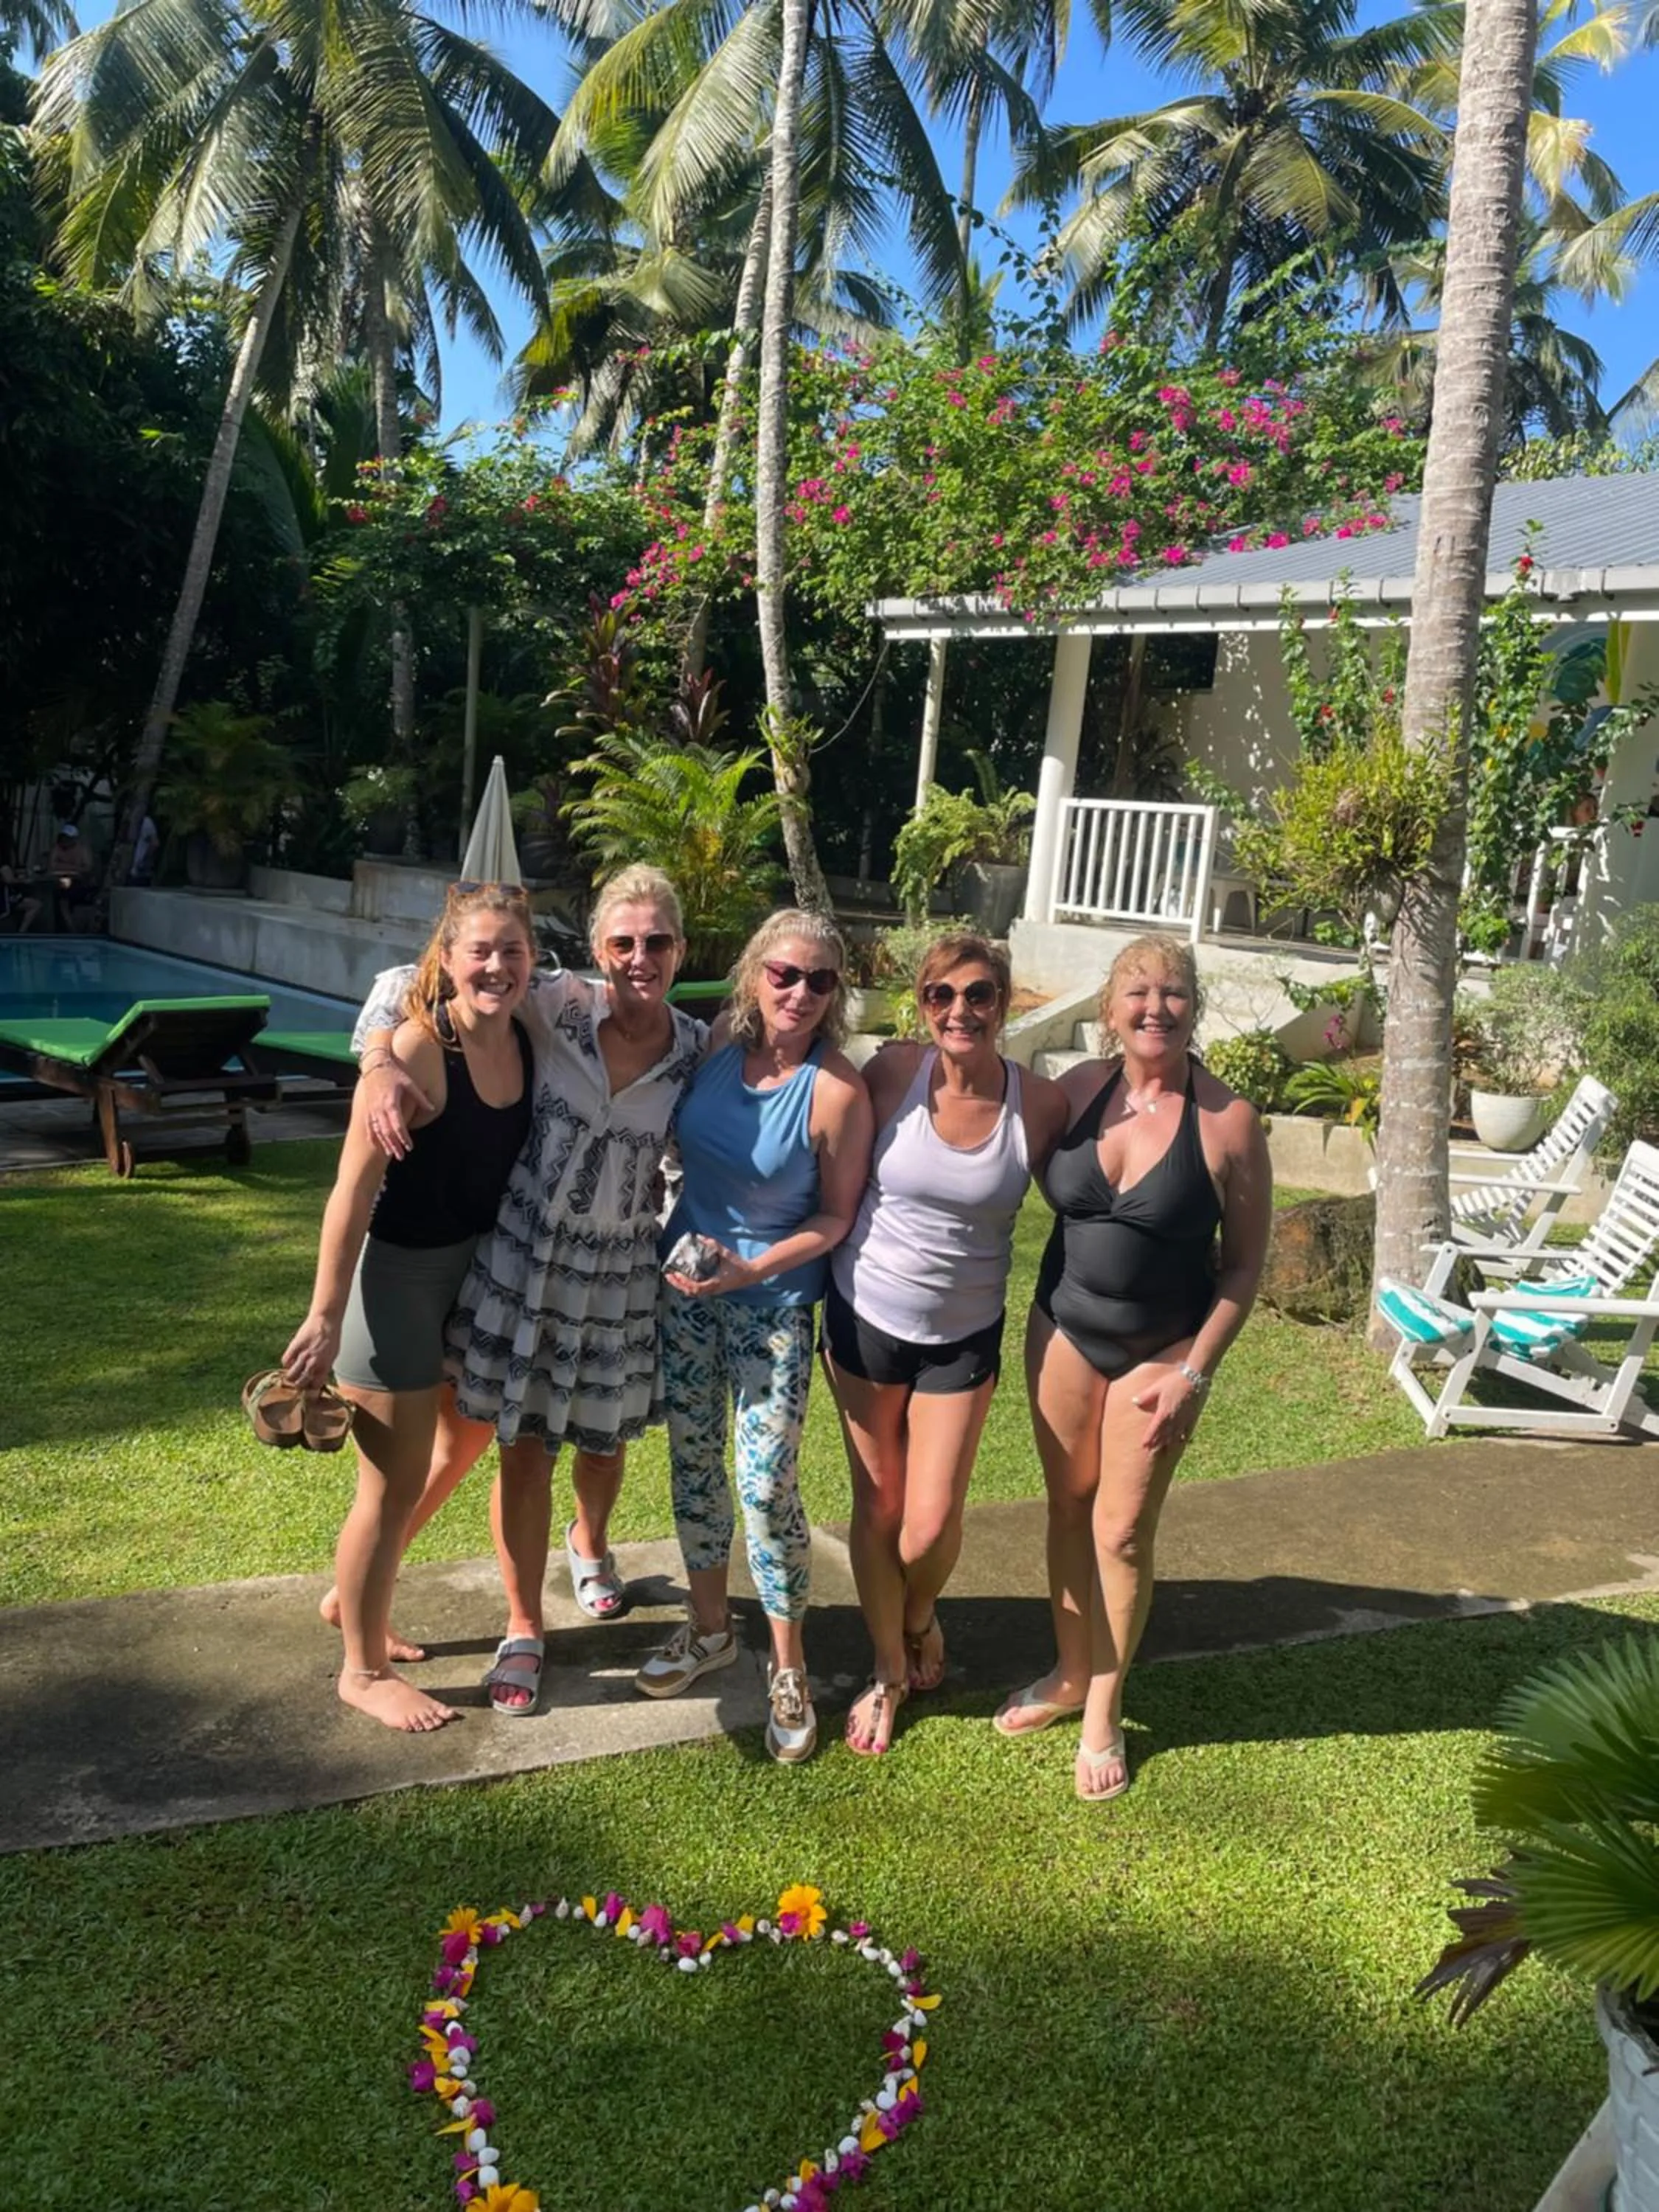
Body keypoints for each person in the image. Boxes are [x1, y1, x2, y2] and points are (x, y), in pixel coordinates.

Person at [345, 866, 706, 1717]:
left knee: (606, 1440)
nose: (640, 957)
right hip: (523, 1265)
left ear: (682, 950)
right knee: (519, 1444)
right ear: (594, 950)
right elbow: (406, 983)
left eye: (657, 941)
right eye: (622, 941)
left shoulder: (699, 1047)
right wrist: (374, 1063)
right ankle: (523, 1626)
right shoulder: (557, 1003)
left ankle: (592, 1542)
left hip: (621, 1277)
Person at [995, 932, 1272, 1802]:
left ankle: (1103, 1711)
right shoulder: (1076, 1094)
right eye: (1139, 993)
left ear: (1196, 1007)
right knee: (1068, 1509)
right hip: (1063, 1333)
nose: (1157, 1008)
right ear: (1110, 1010)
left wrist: (1195, 1374)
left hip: (1161, 1355)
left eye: (1176, 993)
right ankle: (1071, 1670)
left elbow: (1243, 1267)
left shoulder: (1229, 1123)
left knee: (1120, 1531)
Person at [282, 885, 535, 1732]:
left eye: (512, 951)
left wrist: (378, 1047)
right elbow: (350, 1196)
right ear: (449, 958)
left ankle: (355, 1598)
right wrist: (323, 1315)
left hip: (470, 1279)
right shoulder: (426, 1050)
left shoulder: (529, 1035)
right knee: (386, 1485)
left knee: (461, 1441)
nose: (496, 966)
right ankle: (361, 1668)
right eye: (480, 951)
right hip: (395, 1280)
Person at [637, 909, 873, 1764]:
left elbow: (837, 1214)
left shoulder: (837, 1088)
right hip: (688, 1290)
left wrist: (755, 1266)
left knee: (765, 1485)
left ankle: (788, 1666)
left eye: (821, 981)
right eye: (785, 974)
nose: (800, 993)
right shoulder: (710, 1055)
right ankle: (709, 1630)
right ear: (751, 974)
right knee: (693, 1462)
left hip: (771, 1306)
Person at [824, 932, 1068, 1756]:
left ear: (1004, 1003)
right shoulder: (891, 1073)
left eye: (979, 995)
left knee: (928, 1527)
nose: (959, 1011)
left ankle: (919, 1612)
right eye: (941, 996)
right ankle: (889, 1669)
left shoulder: (1038, 1104)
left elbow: (1103, 1180)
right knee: (879, 1505)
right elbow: (818, 1139)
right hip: (863, 1316)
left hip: (964, 1335)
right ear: (921, 1004)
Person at [46, 824, 96, 931]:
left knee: (67, 898)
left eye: (68, 838)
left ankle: (72, 928)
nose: (65, 841)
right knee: (61, 896)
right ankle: (66, 927)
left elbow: (88, 868)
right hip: (62, 882)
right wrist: (73, 868)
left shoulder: (83, 850)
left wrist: (66, 867)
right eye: (63, 837)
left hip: (81, 883)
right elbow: (52, 865)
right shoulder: (58, 848)